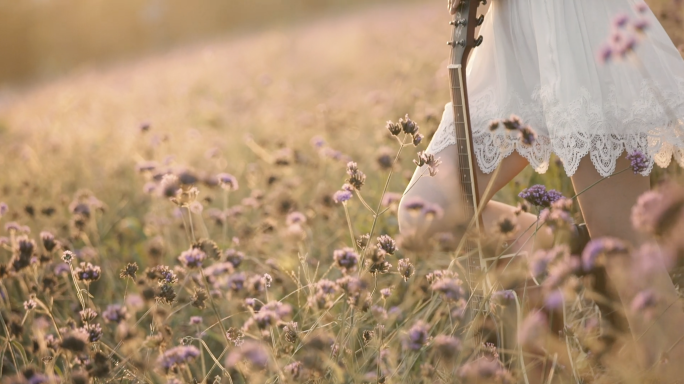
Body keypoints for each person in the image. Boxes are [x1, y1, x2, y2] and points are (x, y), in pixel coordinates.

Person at [397, 0, 684, 379]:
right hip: (510, 45)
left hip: (580, 29)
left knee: (623, 247)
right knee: (424, 212)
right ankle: (561, 244)